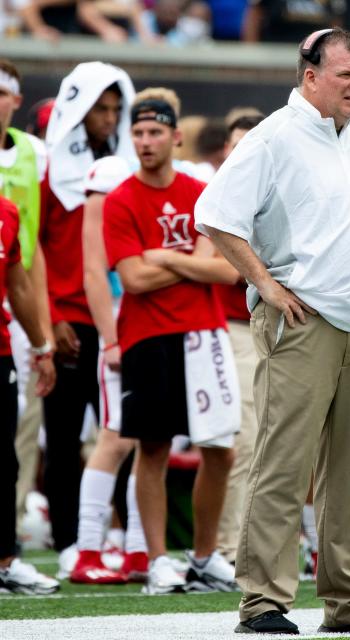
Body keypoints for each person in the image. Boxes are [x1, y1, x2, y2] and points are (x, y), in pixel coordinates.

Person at [195, 28, 350, 635]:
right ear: (310, 76)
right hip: (302, 322)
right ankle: (262, 601)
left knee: (347, 470)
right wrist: (266, 285)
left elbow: (346, 219)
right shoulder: (274, 137)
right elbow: (213, 214)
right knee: (283, 464)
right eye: (345, 75)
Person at [102, 88, 241, 596]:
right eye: (137, 132)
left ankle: (204, 556)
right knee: (153, 447)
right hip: (146, 335)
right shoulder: (119, 200)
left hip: (204, 334)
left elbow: (224, 270)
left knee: (221, 449)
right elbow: (133, 280)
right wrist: (189, 265)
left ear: (175, 136)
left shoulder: (199, 190)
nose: (145, 140)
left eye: (155, 131)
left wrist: (162, 257)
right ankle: (158, 558)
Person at [40, 61, 137, 577]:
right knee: (62, 436)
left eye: (115, 107)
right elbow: (33, 249)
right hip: (69, 322)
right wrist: (51, 315)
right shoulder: (47, 167)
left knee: (121, 430)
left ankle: (115, 536)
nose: (110, 117)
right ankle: (66, 541)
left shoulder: (122, 166)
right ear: (77, 112)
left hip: (121, 320)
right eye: (100, 108)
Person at [70, 152, 151, 585]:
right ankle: (87, 549)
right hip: (122, 323)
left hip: (155, 322)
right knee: (115, 437)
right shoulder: (111, 173)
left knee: (150, 439)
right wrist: (111, 337)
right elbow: (94, 269)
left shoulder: (168, 179)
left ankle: (140, 550)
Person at [0, 59, 53, 542]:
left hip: (17, 300)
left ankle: (9, 536)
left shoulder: (35, 153)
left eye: (2, 92)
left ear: (16, 100)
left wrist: (44, 326)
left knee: (19, 424)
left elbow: (36, 243)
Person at [213, 113, 264, 566]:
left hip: (282, 325)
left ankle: (268, 546)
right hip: (233, 327)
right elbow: (225, 268)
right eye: (236, 144)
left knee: (283, 443)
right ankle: (231, 548)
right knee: (243, 441)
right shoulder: (218, 192)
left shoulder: (277, 189)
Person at [0, 194, 58, 595]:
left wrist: (40, 347)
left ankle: (5, 561)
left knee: (5, 461)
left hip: (0, 351)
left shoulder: (6, 211)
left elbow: (18, 285)